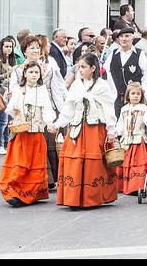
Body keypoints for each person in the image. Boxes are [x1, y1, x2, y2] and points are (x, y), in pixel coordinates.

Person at [49, 53, 118, 210]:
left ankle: (91, 197)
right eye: (79, 67)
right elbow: (68, 109)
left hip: (95, 128)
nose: (80, 70)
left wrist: (111, 129)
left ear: (93, 68)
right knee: (74, 161)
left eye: (83, 67)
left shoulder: (102, 86)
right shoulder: (76, 85)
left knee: (94, 164)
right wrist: (58, 124)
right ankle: (73, 197)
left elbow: (109, 109)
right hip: (77, 128)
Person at [9, 35, 66, 190]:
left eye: (37, 47)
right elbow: (14, 92)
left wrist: (61, 112)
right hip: (25, 111)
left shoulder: (50, 65)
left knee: (48, 144)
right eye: (31, 47)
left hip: (46, 108)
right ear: (24, 51)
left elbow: (57, 88)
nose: (35, 50)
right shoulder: (18, 71)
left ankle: (49, 178)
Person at [0, 61, 55, 207]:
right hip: (21, 134)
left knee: (34, 164)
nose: (34, 75)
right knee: (20, 163)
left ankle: (31, 194)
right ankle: (15, 193)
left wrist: (49, 122)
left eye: (36, 72)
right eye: (31, 72)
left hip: (36, 133)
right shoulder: (19, 89)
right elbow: (10, 109)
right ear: (25, 73)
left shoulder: (42, 90)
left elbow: (47, 109)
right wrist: (16, 112)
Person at [115, 82, 147, 195]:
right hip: (126, 141)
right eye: (133, 93)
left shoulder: (144, 108)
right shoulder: (124, 109)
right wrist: (115, 132)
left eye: (138, 94)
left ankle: (136, 187)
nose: (136, 96)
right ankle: (123, 185)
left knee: (137, 164)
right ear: (128, 95)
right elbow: (120, 124)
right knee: (125, 163)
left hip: (139, 140)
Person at [103, 27, 147, 118]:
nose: (124, 39)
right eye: (121, 36)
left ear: (132, 38)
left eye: (127, 36)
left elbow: (146, 74)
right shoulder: (113, 54)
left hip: (134, 98)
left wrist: (142, 89)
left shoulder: (139, 54)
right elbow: (105, 71)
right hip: (116, 96)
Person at [0, 36, 15, 156]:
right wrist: (10, 72)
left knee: (9, 121)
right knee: (2, 120)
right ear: (1, 47)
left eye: (10, 46)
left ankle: (7, 144)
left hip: (10, 92)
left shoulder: (11, 59)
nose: (8, 49)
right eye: (6, 46)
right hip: (1, 93)